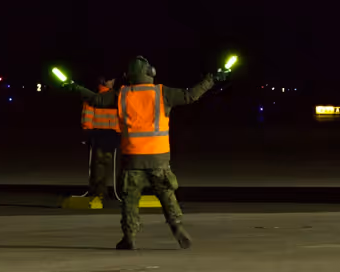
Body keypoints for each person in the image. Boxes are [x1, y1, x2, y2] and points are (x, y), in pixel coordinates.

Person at [66, 56, 227, 250]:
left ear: (129, 75)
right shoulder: (162, 92)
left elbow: (96, 99)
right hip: (158, 157)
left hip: (133, 157)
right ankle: (177, 227)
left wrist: (73, 86)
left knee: (130, 199)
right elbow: (190, 95)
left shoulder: (122, 94)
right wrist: (211, 80)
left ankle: (129, 236)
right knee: (167, 195)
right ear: (150, 72)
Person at [81, 76, 120, 201]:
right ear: (104, 81)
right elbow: (87, 116)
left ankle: (100, 189)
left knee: (102, 163)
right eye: (111, 80)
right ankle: (99, 190)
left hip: (104, 134)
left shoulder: (111, 97)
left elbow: (87, 117)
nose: (113, 82)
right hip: (103, 134)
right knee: (101, 164)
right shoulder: (110, 97)